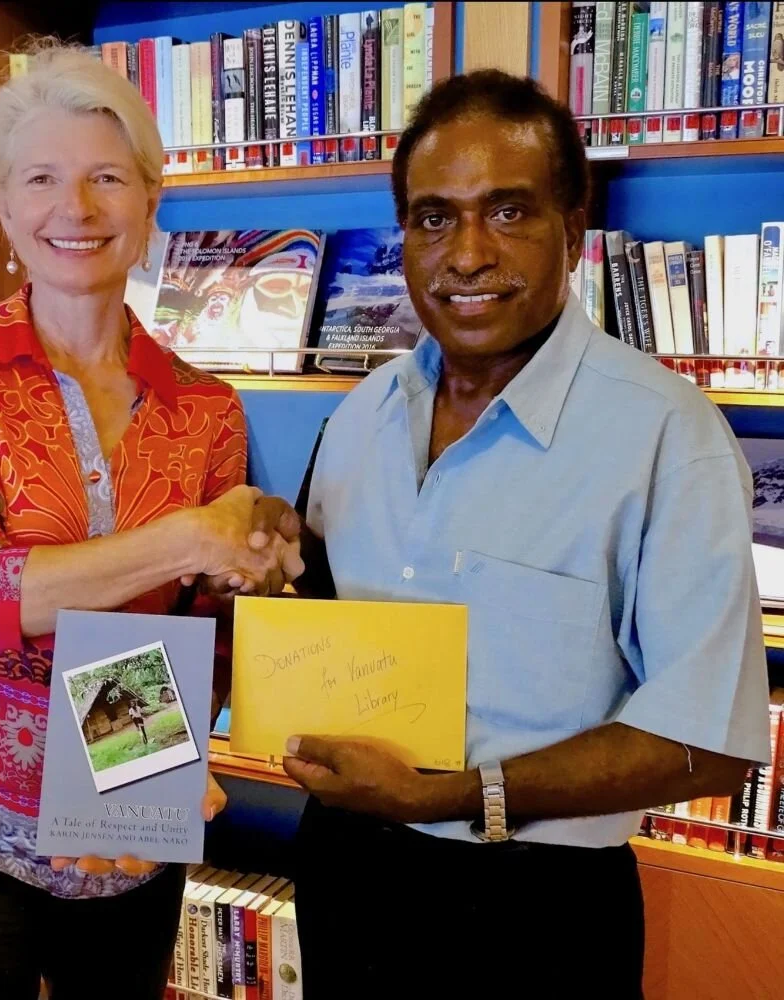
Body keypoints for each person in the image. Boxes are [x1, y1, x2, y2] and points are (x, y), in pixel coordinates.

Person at [245, 71, 771, 998]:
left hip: (537, 908)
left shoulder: (666, 437)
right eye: (434, 218)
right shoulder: (361, 413)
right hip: (345, 872)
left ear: (574, 229)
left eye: (509, 211)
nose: (468, 254)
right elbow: (322, 616)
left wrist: (452, 795)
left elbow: (710, 740)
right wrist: (257, 571)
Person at [0, 42, 298, 1000]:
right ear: (4, 205)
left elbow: (194, 631)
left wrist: (141, 778)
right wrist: (189, 536)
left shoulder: (207, 408)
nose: (76, 207)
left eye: (108, 177)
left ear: (150, 201)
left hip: (127, 828)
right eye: (41, 179)